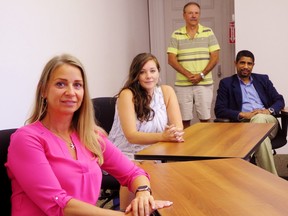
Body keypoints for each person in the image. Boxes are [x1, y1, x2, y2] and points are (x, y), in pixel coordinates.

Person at [5, 54, 173, 216]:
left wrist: (143, 194)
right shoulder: (26, 139)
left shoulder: (91, 136)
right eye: (60, 84)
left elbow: (134, 173)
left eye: (77, 85)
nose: (71, 92)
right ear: (43, 90)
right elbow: (57, 204)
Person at [108, 53, 184, 210]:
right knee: (136, 171)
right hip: (124, 152)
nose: (148, 76)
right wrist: (164, 136)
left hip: (153, 152)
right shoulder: (127, 94)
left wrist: (174, 133)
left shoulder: (166, 92)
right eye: (142, 72)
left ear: (158, 72)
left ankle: (147, 210)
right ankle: (124, 212)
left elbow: (178, 127)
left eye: (152, 71)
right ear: (136, 75)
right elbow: (131, 136)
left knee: (155, 170)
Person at [214, 50, 285, 175]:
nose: (245, 67)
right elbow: (219, 109)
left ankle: (240, 164)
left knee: (259, 118)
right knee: (262, 141)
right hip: (242, 127)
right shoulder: (227, 83)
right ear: (235, 63)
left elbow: (279, 100)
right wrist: (243, 114)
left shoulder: (263, 79)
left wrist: (268, 111)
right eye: (242, 63)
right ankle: (273, 181)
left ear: (253, 65)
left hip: (268, 123)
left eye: (249, 64)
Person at [167, 1, 220, 128]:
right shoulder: (176, 34)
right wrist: (189, 75)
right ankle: (187, 147)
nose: (194, 16)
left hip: (204, 83)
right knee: (184, 120)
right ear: (184, 15)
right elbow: (171, 59)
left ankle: (207, 147)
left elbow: (215, 56)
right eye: (190, 13)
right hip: (183, 85)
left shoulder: (208, 32)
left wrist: (201, 75)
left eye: (196, 13)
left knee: (205, 119)